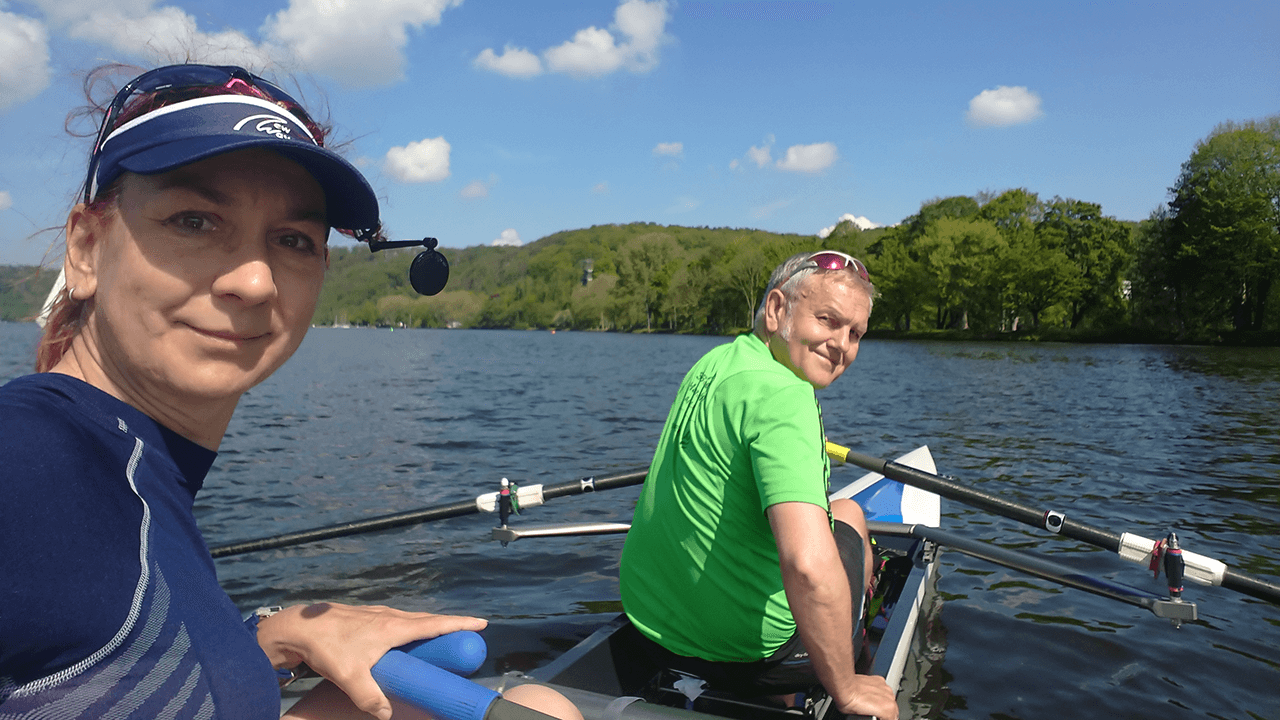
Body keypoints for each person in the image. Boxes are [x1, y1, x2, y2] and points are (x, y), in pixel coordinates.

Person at [0, 63, 574, 720]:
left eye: (293, 240)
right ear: (86, 249)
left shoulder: (131, 470)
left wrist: (257, 638)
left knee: (542, 703)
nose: (254, 281)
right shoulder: (26, 459)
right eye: (194, 220)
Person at [618, 251, 899, 720]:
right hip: (747, 655)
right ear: (776, 310)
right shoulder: (786, 397)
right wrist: (846, 688)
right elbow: (807, 568)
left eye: (855, 334)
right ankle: (854, 658)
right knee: (848, 512)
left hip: (650, 625)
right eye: (828, 320)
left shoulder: (718, 362)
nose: (842, 345)